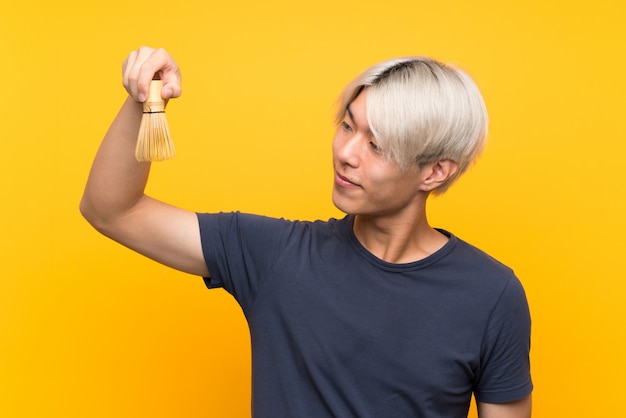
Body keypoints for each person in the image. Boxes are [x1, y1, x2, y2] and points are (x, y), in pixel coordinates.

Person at [80, 46, 532, 417]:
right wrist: (144, 101)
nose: (347, 153)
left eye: (376, 144)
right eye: (348, 125)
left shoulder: (491, 294)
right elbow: (111, 210)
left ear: (434, 172)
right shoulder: (276, 257)